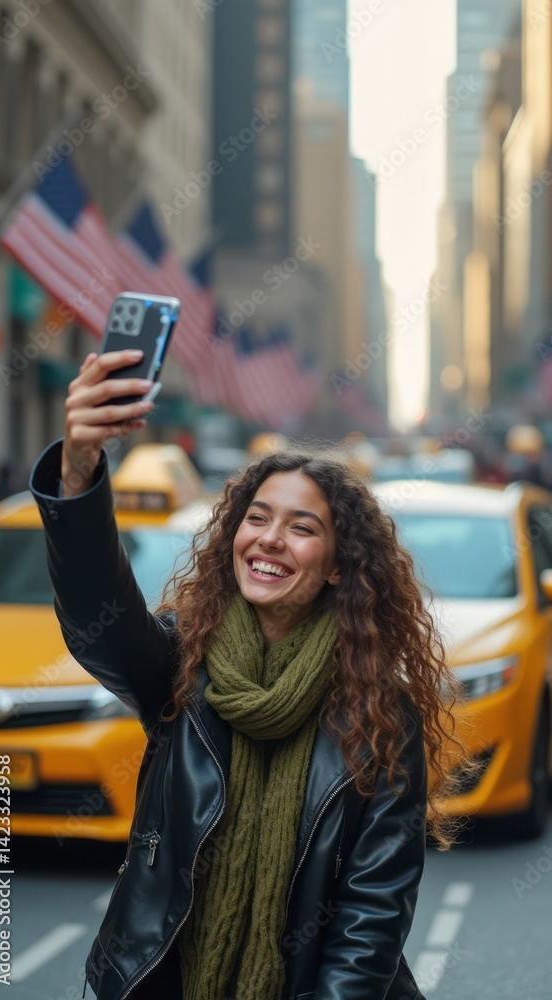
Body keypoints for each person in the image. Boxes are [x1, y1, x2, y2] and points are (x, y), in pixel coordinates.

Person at [29, 349, 468, 1000]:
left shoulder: (381, 713)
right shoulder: (181, 667)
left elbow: (369, 919)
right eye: (256, 518)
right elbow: (99, 613)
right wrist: (79, 467)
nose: (268, 539)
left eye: (301, 528)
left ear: (340, 566)